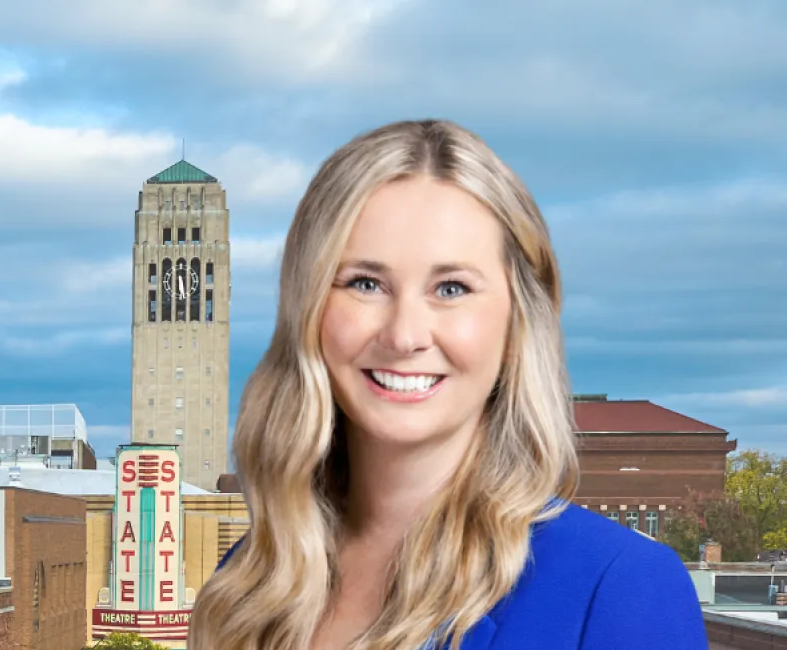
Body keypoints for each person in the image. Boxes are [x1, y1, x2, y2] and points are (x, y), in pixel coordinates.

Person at [186, 120, 705, 650]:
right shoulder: (251, 579)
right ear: (308, 309)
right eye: (365, 283)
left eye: (451, 288)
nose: (404, 335)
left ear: (517, 323)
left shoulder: (621, 589)